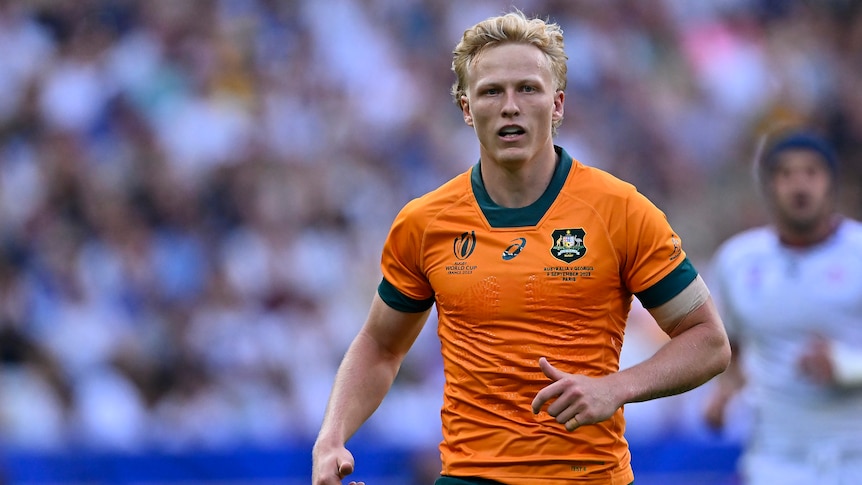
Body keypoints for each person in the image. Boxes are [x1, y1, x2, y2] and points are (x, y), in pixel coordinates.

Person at [312, 10, 731, 485]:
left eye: (528, 88)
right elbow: (380, 345)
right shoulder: (425, 222)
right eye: (492, 91)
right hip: (470, 477)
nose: (510, 105)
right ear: (467, 108)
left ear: (557, 105)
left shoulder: (621, 210)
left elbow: (709, 341)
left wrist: (617, 388)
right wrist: (331, 437)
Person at [703, 128, 862, 484]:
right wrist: (723, 393)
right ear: (768, 186)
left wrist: (847, 367)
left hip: (854, 459)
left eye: (811, 172)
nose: (799, 185)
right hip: (774, 460)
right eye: (785, 174)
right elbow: (734, 347)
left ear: (832, 183)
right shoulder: (737, 261)